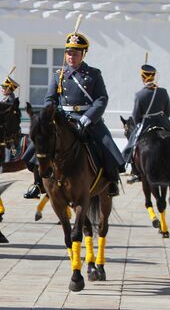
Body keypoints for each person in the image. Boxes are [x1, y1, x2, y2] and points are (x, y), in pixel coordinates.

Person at [43, 30, 125, 196]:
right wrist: (49, 114)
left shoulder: (93, 74)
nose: (71, 57)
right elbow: (49, 99)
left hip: (87, 118)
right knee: (40, 144)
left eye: (75, 53)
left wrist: (88, 118)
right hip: (64, 119)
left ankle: (111, 180)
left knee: (105, 143)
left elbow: (101, 99)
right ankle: (38, 181)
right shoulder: (58, 75)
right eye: (68, 53)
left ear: (83, 54)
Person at [122, 63, 170, 183]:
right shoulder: (163, 92)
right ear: (153, 76)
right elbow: (168, 111)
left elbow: (135, 115)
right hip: (163, 121)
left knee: (133, 143)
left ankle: (134, 169)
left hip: (146, 123)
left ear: (143, 77)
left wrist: (139, 122)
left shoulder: (139, 95)